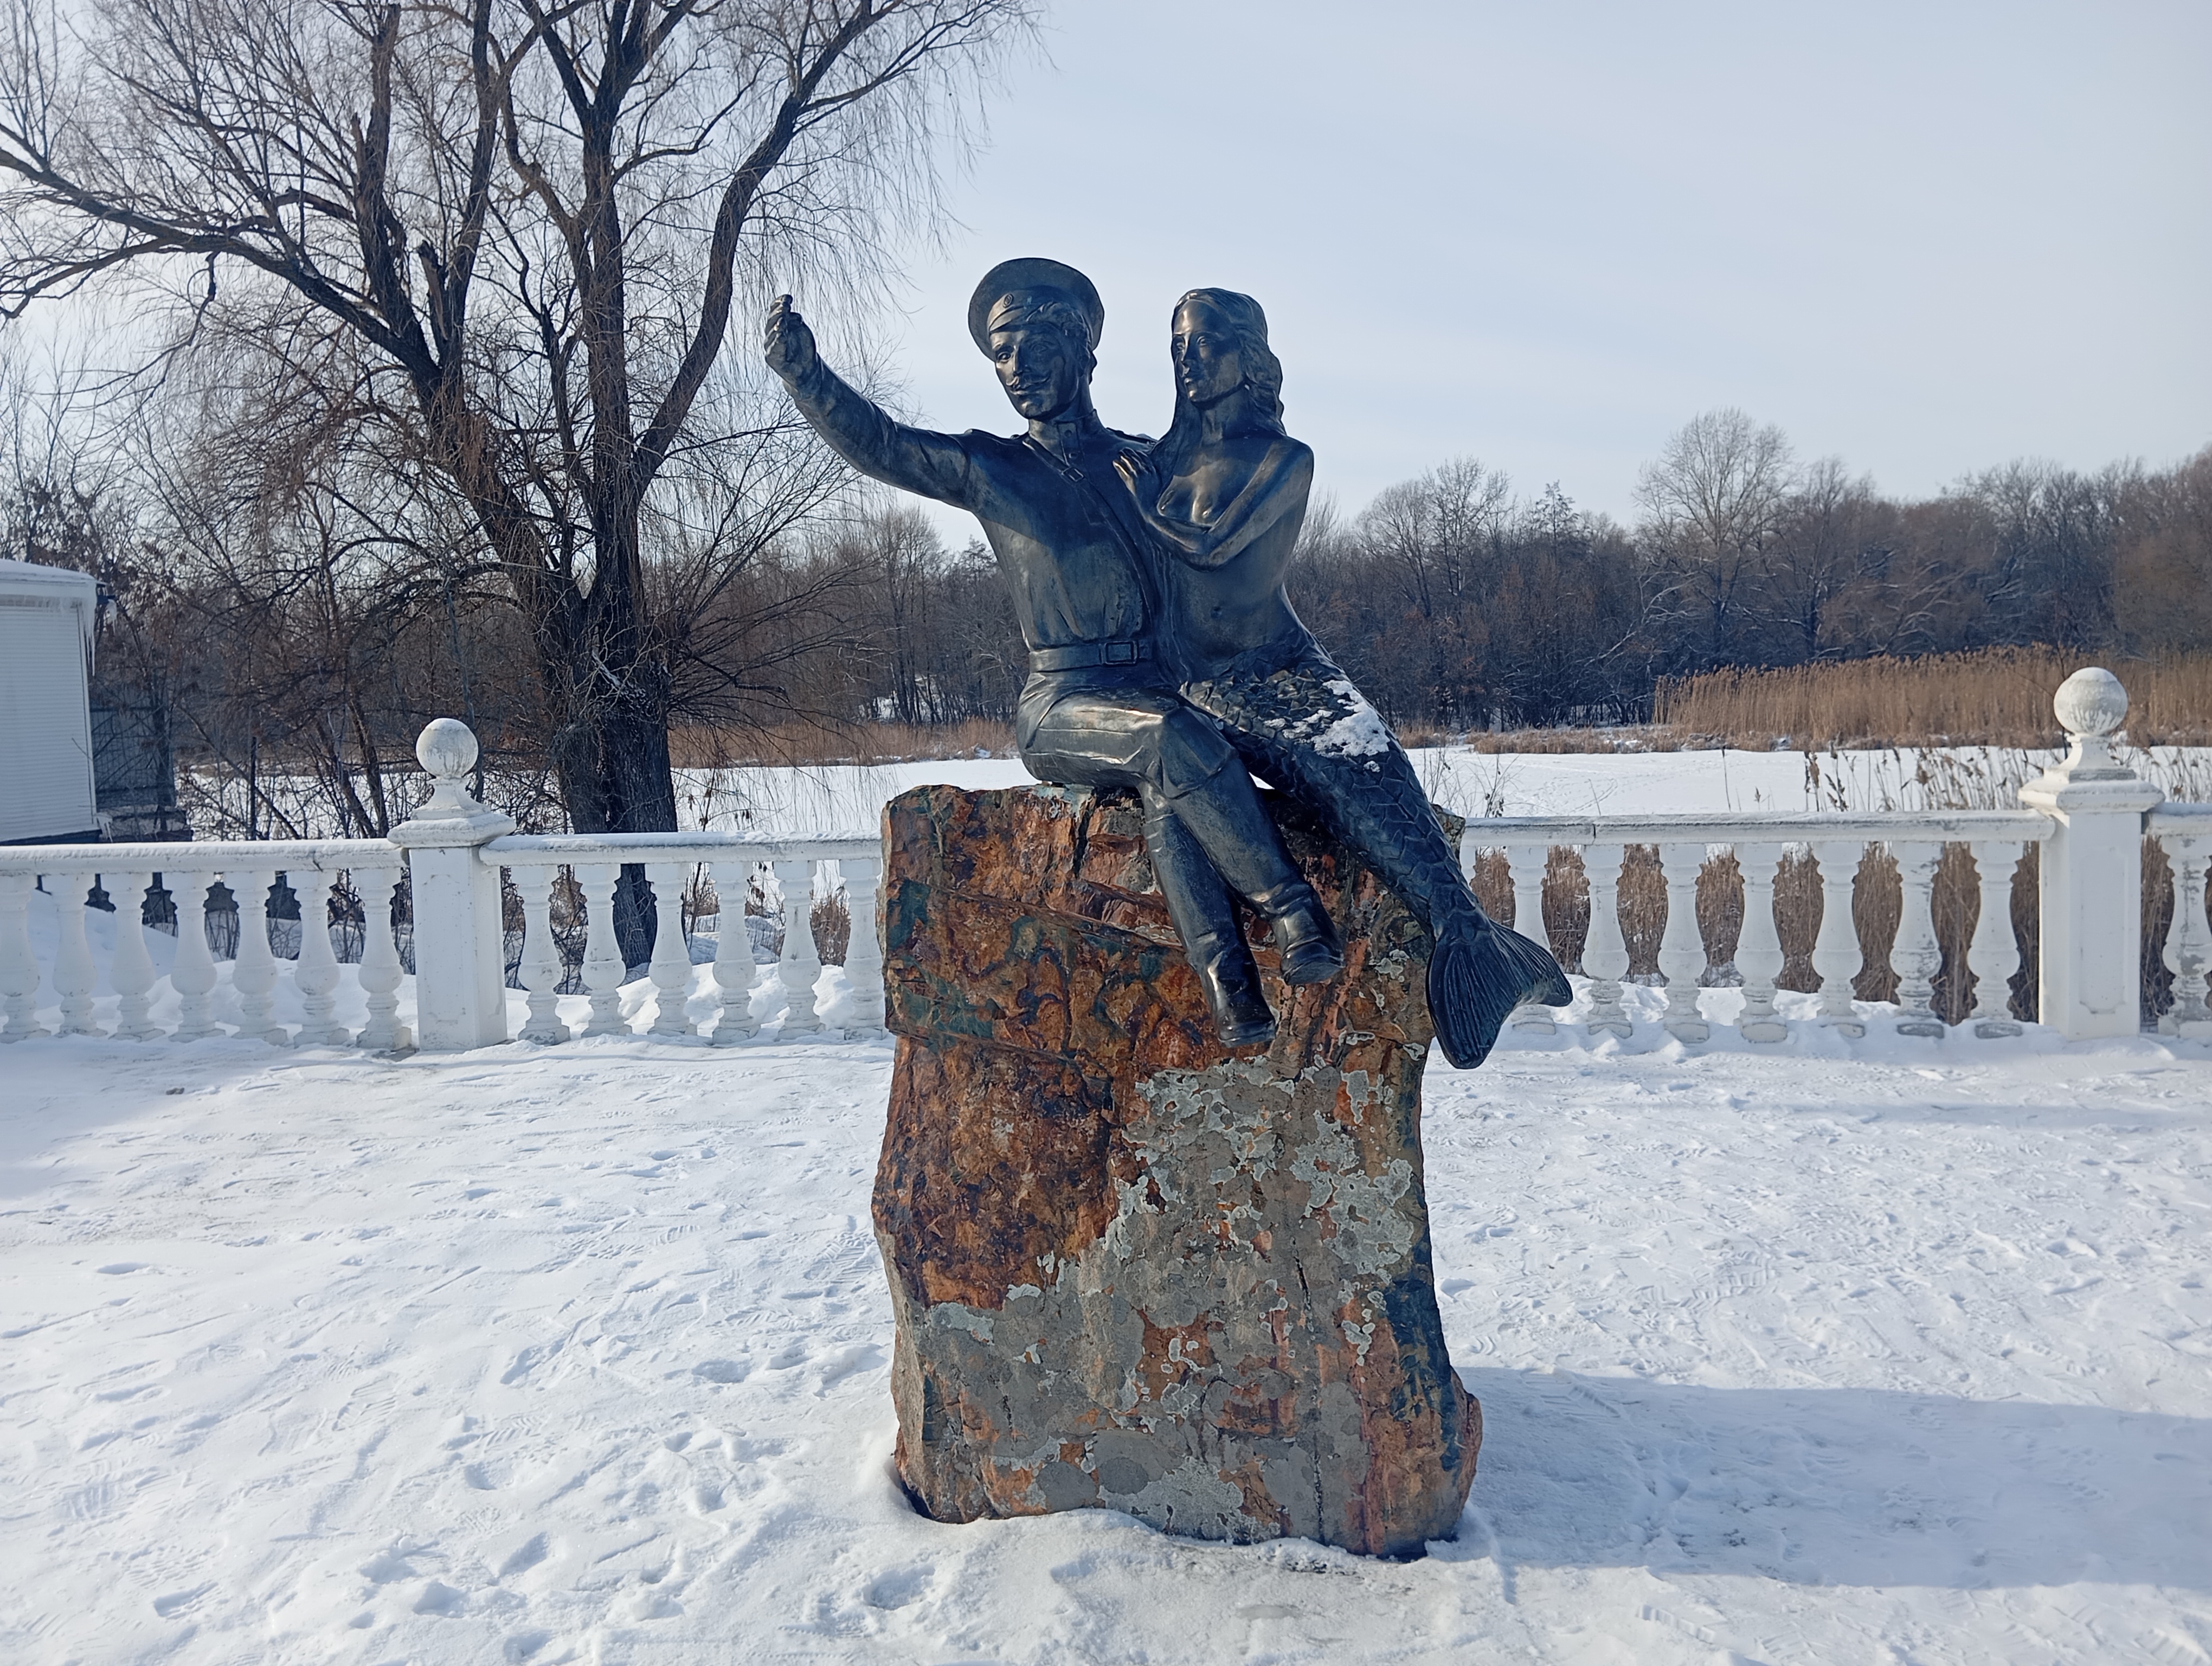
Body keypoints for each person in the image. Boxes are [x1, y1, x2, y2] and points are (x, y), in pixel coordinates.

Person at [763, 260, 1342, 1047]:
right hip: (1063, 704)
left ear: (1083, 350)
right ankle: (1293, 911)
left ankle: (1231, 989)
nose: (1018, 369)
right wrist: (808, 378)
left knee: (1169, 777)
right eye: (1002, 354)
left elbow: (1226, 501)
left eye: (1035, 346)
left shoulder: (1147, 461)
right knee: (1169, 741)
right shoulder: (994, 467)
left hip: (1158, 690)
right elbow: (885, 445)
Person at [1113, 287, 1570, 1069]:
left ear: (1250, 358)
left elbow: (1211, 548)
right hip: (1195, 685)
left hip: (1283, 668)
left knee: (1364, 773)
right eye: (1179, 344)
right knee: (1189, 781)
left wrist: (1141, 506)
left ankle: (1464, 932)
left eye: (1208, 342)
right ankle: (1278, 958)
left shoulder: (1284, 459)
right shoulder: (1156, 458)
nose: (1190, 358)